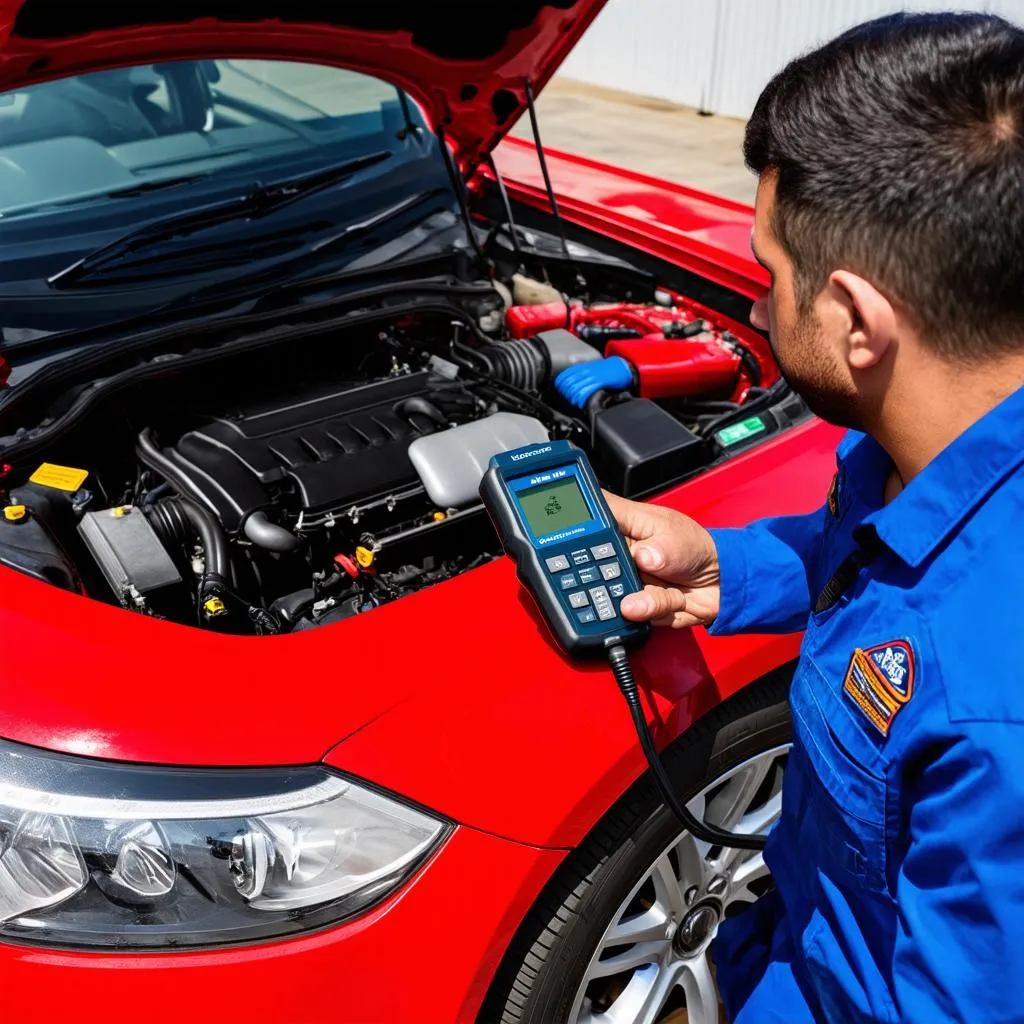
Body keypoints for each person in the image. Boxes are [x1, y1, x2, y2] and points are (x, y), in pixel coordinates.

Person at [606, 12, 1024, 1023]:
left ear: (856, 319)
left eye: (769, 274)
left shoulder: (993, 715)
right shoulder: (913, 450)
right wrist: (728, 567)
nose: (754, 310)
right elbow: (869, 560)